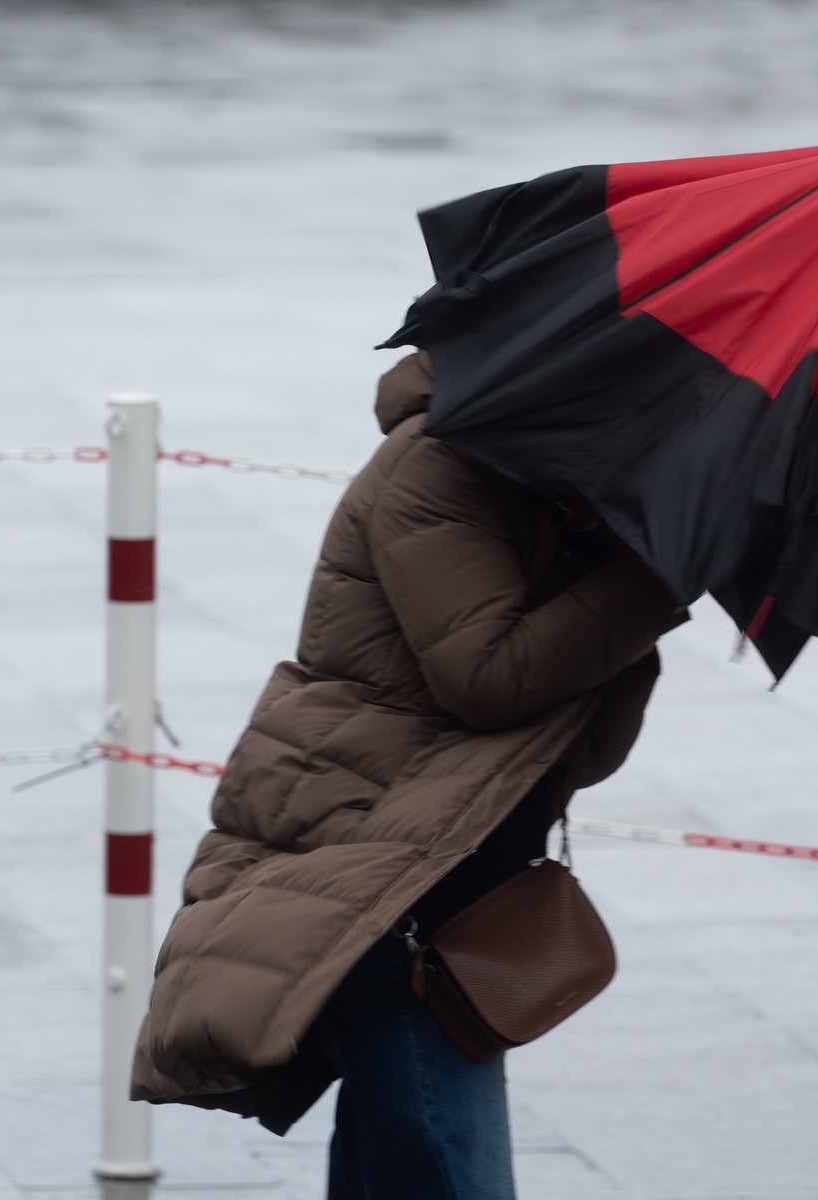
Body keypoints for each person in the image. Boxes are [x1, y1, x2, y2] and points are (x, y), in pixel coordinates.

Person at [130, 350, 687, 1199]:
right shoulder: (441, 460)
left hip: (448, 880)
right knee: (449, 1173)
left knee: (401, 1165)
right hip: (384, 884)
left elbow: (578, 754)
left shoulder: (557, 488)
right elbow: (490, 678)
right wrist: (652, 578)